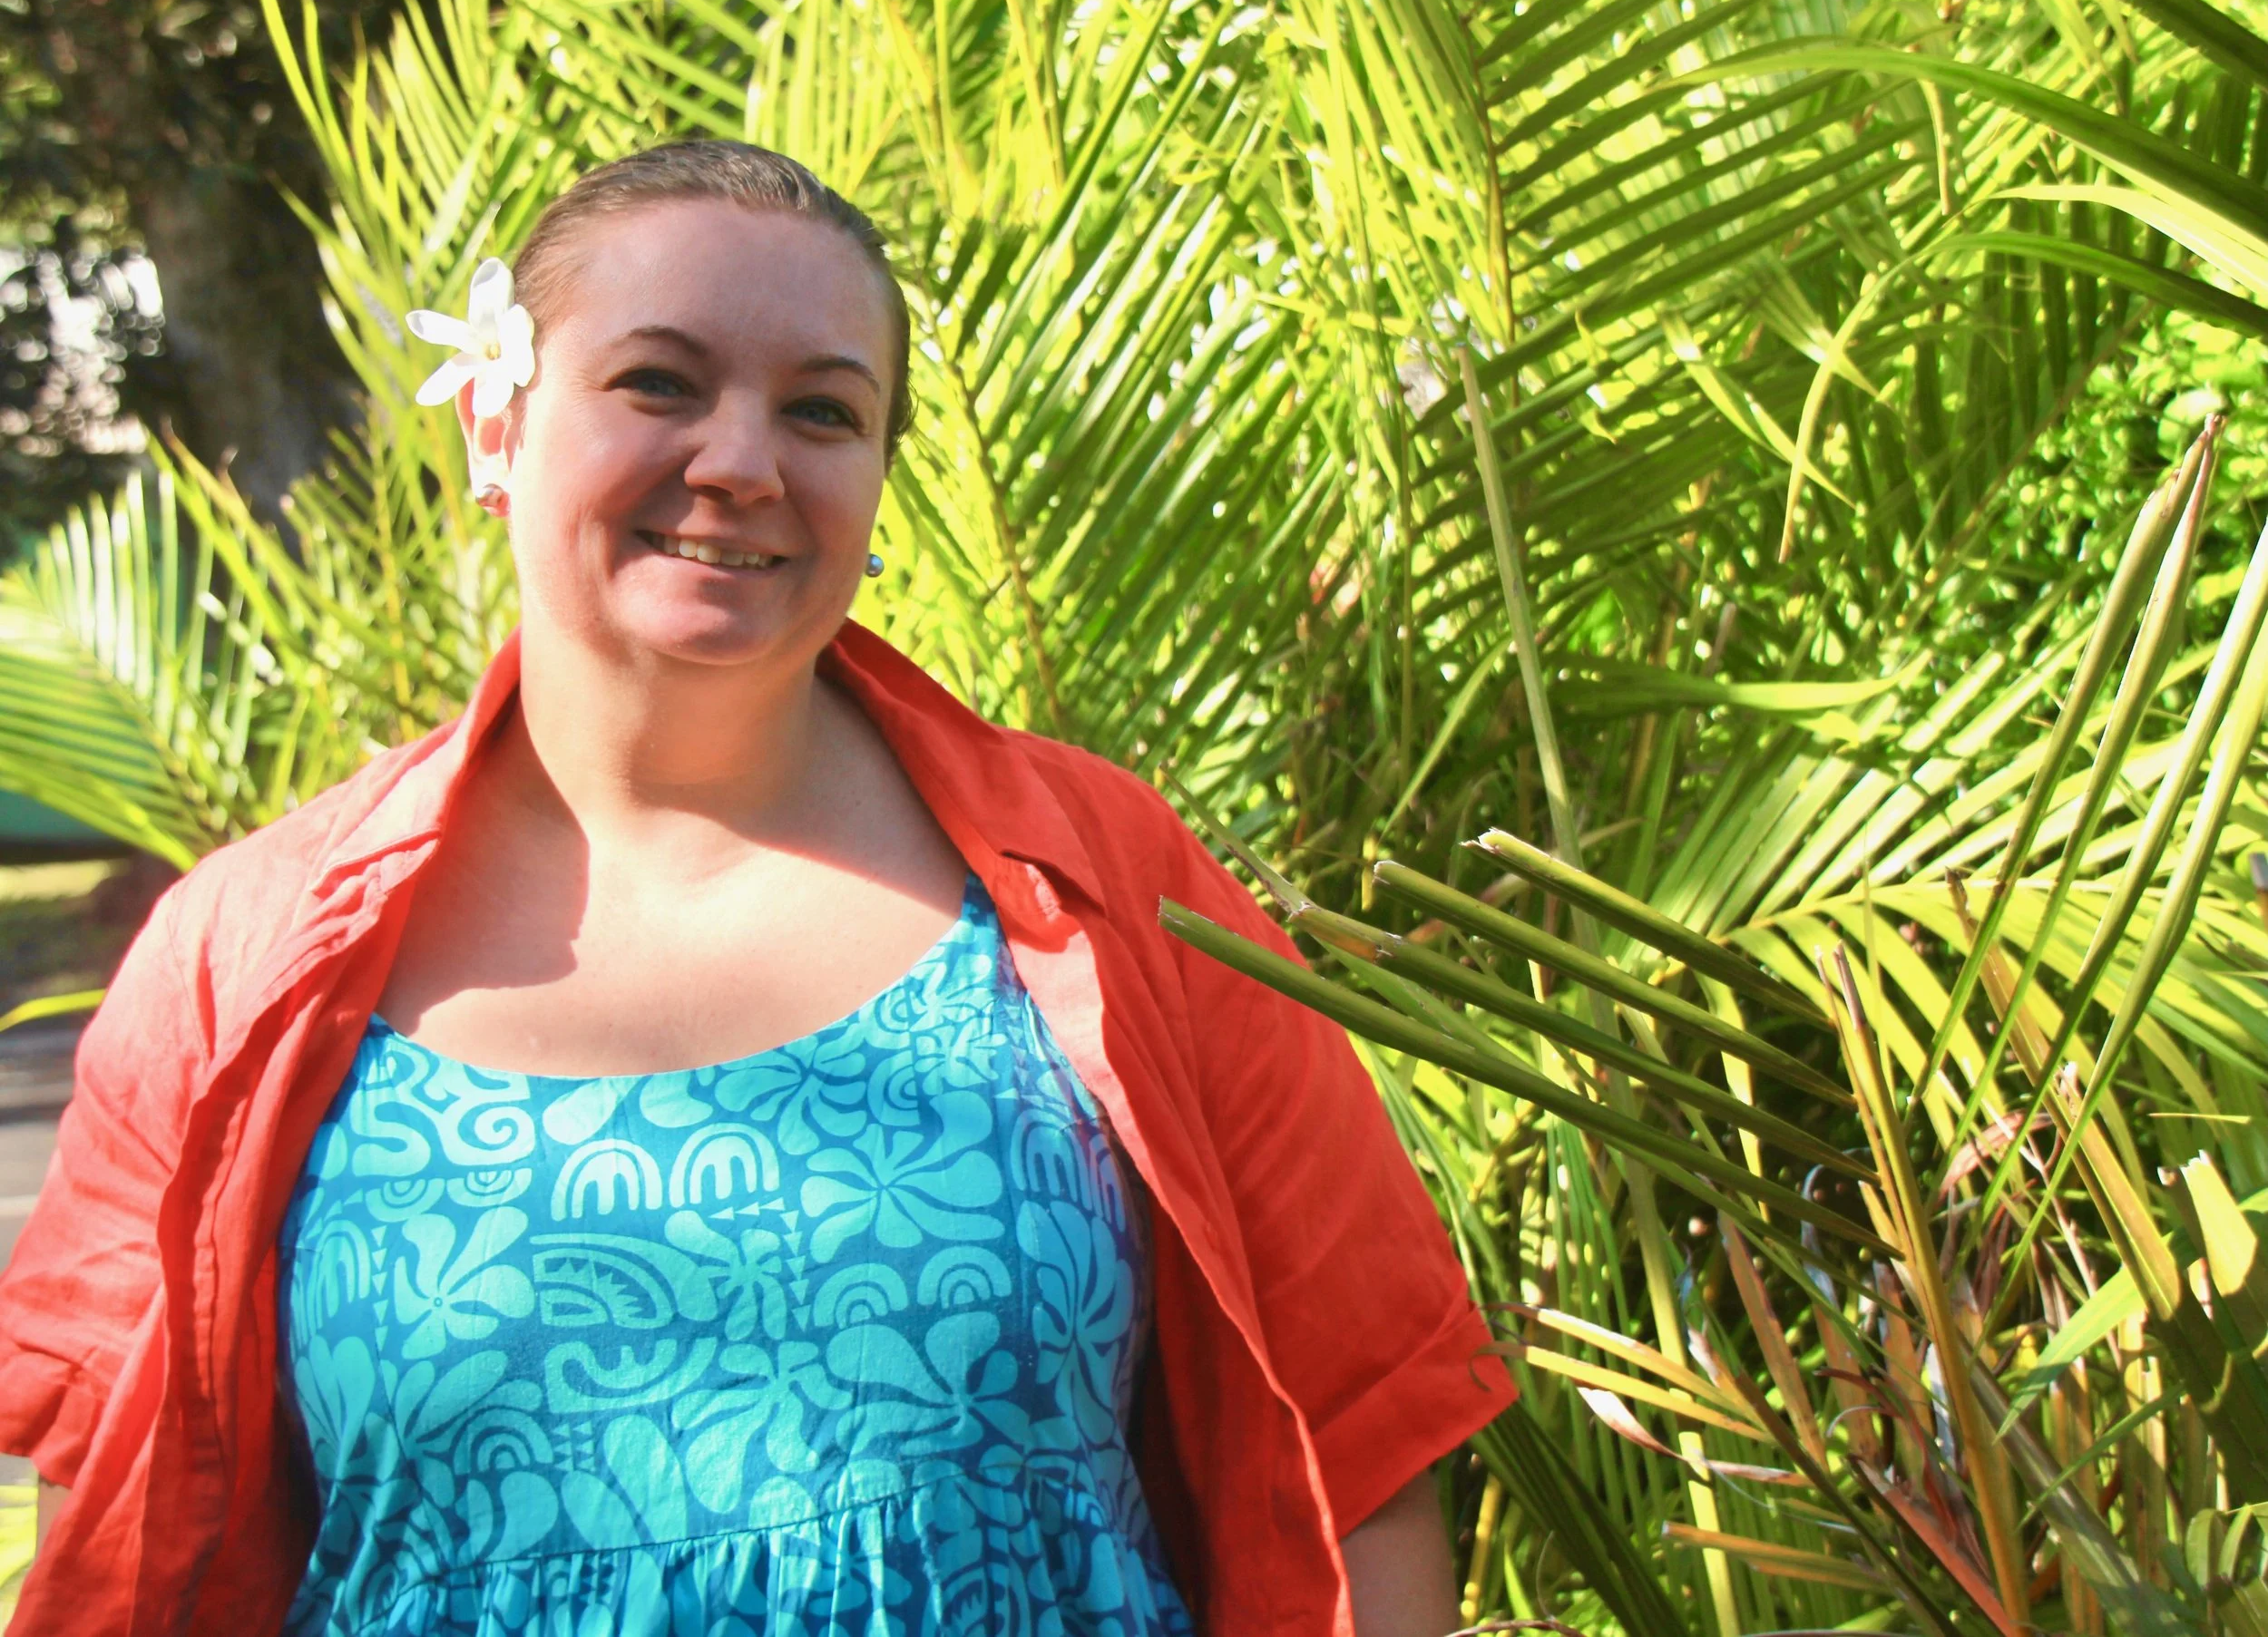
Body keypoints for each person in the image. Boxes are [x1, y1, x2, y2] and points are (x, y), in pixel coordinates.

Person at [0, 141, 1510, 1636]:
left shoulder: (1106, 881)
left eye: (822, 410)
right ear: (495, 420)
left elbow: (1358, 1452)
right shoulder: (238, 959)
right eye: (659, 382)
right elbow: (120, 1526)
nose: (740, 461)